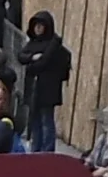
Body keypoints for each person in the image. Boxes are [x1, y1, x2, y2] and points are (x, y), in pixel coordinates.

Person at [15, 12, 70, 154]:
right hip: (34, 88)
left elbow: (44, 63)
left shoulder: (54, 45)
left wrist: (34, 63)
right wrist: (32, 58)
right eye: (36, 26)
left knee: (46, 120)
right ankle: (36, 148)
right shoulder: (33, 43)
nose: (38, 29)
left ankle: (47, 150)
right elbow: (21, 56)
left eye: (41, 26)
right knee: (35, 121)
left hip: (48, 89)